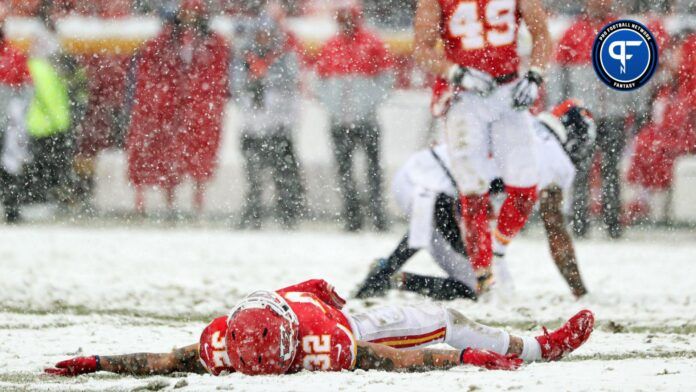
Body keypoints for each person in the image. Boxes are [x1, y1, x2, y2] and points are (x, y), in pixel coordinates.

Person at [45, 279, 594, 376]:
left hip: (340, 315)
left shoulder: (322, 341)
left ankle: (537, 347)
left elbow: (392, 358)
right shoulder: (223, 343)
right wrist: (97, 362)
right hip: (302, 300)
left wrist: (463, 356)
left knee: (442, 322)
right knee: (445, 325)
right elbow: (164, 359)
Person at [354, 101, 595, 300]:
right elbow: (556, 231)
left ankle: (390, 276)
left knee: (480, 278)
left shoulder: (523, 123)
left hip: (420, 172)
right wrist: (580, 290)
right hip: (434, 189)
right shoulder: (558, 161)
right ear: (576, 139)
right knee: (479, 284)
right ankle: (385, 275)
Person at [413, 0, 551, 290]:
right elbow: (421, 49)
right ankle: (483, 274)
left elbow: (541, 34)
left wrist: (535, 75)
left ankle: (497, 250)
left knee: (526, 187)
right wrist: (456, 73)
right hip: (465, 95)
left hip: (508, 89)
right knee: (473, 190)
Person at [126, 0, 229, 214]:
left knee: (198, 151)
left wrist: (197, 94)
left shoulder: (212, 42)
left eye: (194, 13)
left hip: (196, 104)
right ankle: (167, 200)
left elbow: (215, 73)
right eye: (186, 13)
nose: (190, 18)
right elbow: (151, 68)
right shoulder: (164, 41)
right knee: (165, 150)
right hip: (171, 103)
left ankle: (196, 197)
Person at [315, 2, 393, 232]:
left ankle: (377, 216)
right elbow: (320, 83)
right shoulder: (331, 45)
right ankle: (353, 217)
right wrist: (335, 108)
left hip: (366, 120)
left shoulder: (372, 42)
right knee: (345, 171)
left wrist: (365, 105)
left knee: (373, 170)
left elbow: (386, 81)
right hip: (340, 121)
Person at [232, 11, 305, 229]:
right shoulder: (244, 58)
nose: (263, 38)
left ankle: (287, 215)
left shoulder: (284, 56)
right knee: (253, 176)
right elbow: (236, 89)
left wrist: (285, 117)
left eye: (267, 33)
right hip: (253, 125)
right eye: (259, 34)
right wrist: (252, 87)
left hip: (278, 126)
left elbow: (292, 88)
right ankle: (253, 214)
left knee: (283, 175)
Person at [0, 3, 32, 223]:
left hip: (8, 120)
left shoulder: (13, 55)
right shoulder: (13, 55)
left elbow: (28, 87)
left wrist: (18, 111)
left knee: (10, 164)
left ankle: (12, 207)